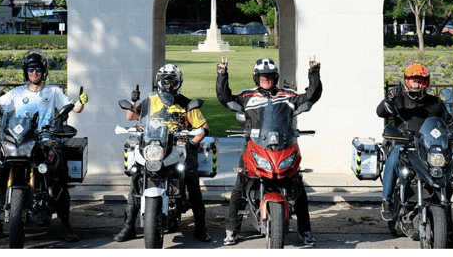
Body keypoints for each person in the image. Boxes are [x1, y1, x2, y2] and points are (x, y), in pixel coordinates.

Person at [0, 50, 88, 242]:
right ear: (25, 72)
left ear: (43, 72)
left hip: (46, 140)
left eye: (37, 69)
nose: (34, 73)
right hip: (21, 140)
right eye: (30, 69)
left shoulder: (53, 92)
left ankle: (65, 224)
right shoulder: (17, 92)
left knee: (59, 176)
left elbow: (74, 107)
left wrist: (81, 102)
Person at [217, 56, 322, 247]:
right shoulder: (248, 97)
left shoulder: (287, 96)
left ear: (276, 76)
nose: (266, 79)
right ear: (256, 78)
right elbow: (226, 98)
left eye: (270, 76)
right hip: (255, 146)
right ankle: (231, 230)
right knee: (240, 185)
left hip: (283, 147)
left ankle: (305, 231)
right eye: (262, 76)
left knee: (297, 186)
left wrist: (313, 73)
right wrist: (222, 73)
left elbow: (310, 97)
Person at [113, 64, 212, 243]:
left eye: (172, 81)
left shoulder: (187, 103)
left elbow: (203, 128)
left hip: (180, 148)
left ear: (178, 83)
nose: (169, 85)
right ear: (159, 82)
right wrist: (134, 102)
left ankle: (200, 228)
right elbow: (132, 117)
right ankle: (128, 227)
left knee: (191, 178)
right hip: (154, 147)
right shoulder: (150, 101)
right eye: (165, 81)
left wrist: (192, 143)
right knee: (136, 177)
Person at [377, 63, 453, 246]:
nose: (417, 84)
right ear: (406, 81)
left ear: (427, 82)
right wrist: (388, 100)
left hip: (427, 149)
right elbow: (380, 112)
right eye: (414, 80)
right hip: (405, 145)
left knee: (447, 180)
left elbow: (449, 122)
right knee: (395, 155)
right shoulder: (399, 100)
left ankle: (449, 230)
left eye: (421, 80)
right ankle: (387, 201)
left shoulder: (435, 102)